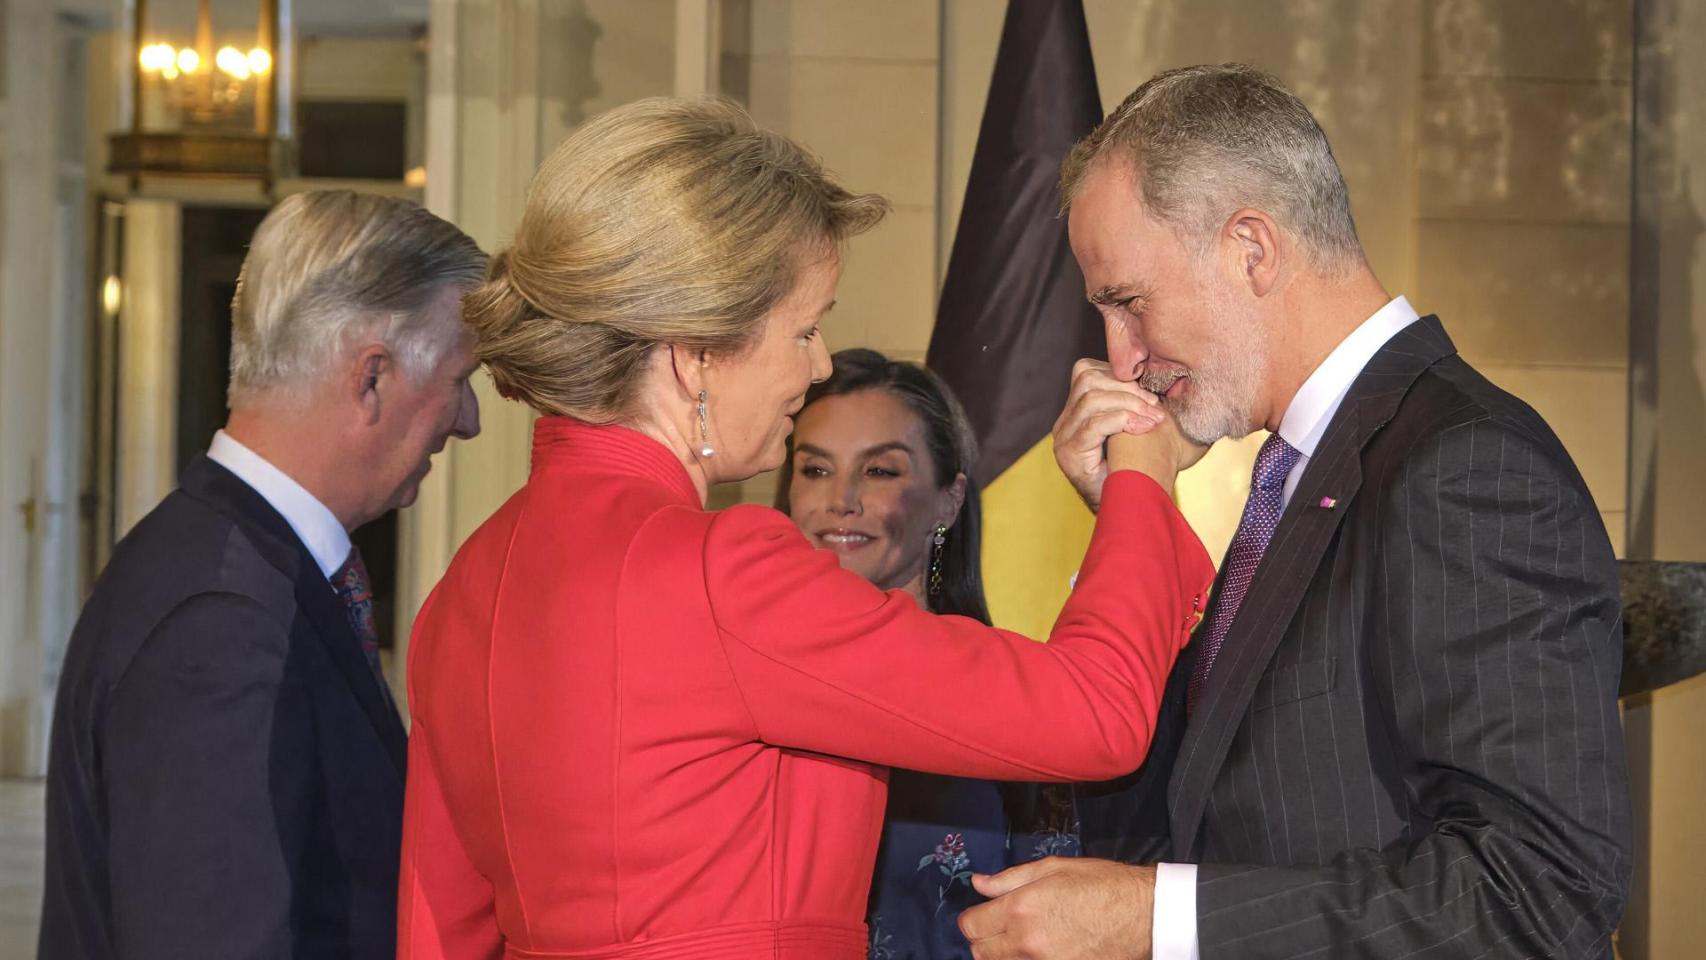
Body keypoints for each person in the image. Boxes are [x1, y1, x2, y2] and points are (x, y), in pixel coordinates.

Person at [397, 96, 1215, 960]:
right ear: (696, 354)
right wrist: (1140, 473)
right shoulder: (716, 570)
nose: (819, 366)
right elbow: (1094, 713)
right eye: (805, 329)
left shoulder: (465, 586)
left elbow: (436, 930)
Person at [959, 64, 1632, 960]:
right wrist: (1130, 519)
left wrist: (1155, 920)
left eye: (1128, 303)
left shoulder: (1466, 465)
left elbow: (1541, 887)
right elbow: (1177, 809)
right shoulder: (1297, 472)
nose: (1122, 361)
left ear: (1252, 249)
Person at [38, 190, 486, 960]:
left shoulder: (227, 564)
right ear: (371, 379)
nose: (468, 419)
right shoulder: (219, 620)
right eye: (459, 377)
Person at [777, 348, 1082, 960]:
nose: (841, 499)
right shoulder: (747, 684)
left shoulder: (1011, 694)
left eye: (879, 471)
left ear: (949, 499)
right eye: (815, 469)